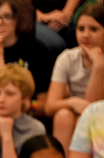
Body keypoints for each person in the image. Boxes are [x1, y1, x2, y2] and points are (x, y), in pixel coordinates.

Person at [0, 0, 54, 111]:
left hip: (27, 117)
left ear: (18, 20)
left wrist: (26, 106)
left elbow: (45, 104)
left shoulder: (38, 52)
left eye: (7, 17)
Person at [44, 1, 104, 150]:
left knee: (81, 121)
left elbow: (93, 109)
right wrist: (73, 102)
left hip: (99, 114)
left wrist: (98, 67)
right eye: (81, 29)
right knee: (63, 115)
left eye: (94, 29)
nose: (85, 35)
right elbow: (50, 105)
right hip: (76, 111)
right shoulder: (68, 58)